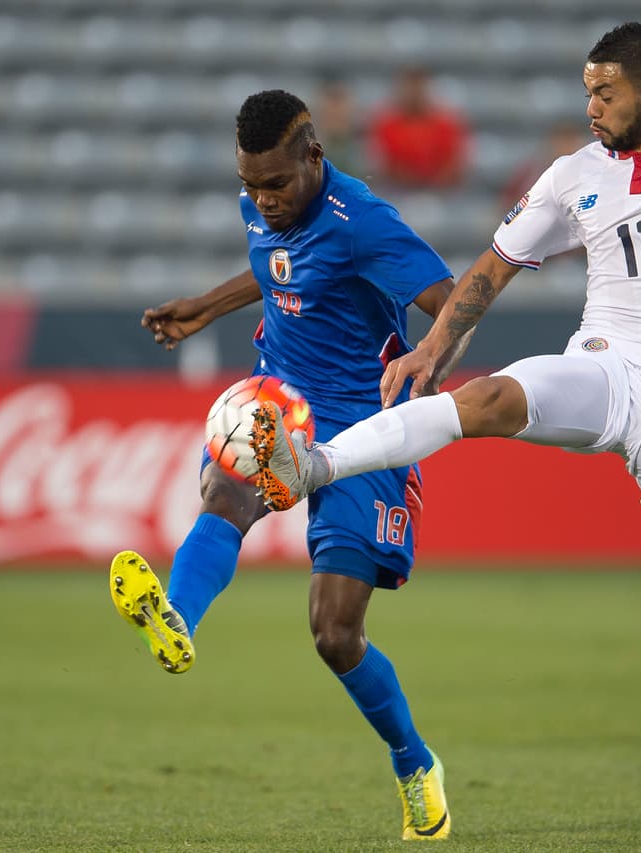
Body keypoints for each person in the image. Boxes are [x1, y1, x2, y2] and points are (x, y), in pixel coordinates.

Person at [253, 23, 641, 832]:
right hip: (608, 366)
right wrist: (433, 350)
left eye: (605, 93)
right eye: (587, 91)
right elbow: (493, 267)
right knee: (489, 400)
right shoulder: (573, 177)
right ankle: (316, 466)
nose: (591, 107)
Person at [108, 89, 462, 841]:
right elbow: (278, 266)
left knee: (334, 633)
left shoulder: (362, 221)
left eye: (275, 184)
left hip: (365, 425)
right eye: (250, 184)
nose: (262, 199)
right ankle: (177, 620)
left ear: (314, 157)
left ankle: (414, 762)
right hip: (281, 397)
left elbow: (453, 298)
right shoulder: (262, 202)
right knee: (225, 491)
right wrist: (207, 305)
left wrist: (430, 360)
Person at [367, 66, 469, 190]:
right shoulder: (386, 124)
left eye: (419, 87)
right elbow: (383, 162)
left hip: (440, 191)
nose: (414, 94)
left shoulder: (446, 124)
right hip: (396, 189)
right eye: (410, 88)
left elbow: (454, 162)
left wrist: (435, 183)